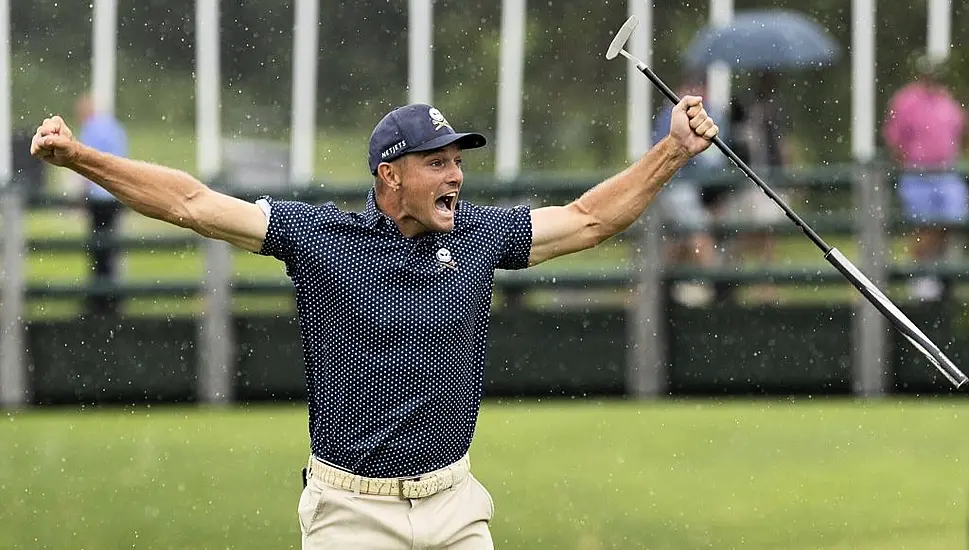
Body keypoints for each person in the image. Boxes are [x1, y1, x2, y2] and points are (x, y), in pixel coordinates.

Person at [30, 98, 718, 549]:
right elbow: (189, 201)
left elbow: (589, 219)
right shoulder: (318, 237)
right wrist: (81, 158)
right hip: (350, 517)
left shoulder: (478, 235)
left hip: (454, 507)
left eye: (458, 162)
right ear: (389, 176)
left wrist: (672, 152)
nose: (456, 175)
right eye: (437, 163)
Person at [882, 55, 967, 302]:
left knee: (950, 221)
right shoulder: (906, 100)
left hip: (945, 173)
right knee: (924, 226)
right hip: (917, 173)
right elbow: (895, 139)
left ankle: (938, 277)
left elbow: (959, 135)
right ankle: (922, 280)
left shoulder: (947, 101)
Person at [652, 77, 725, 306]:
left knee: (677, 245)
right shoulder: (678, 114)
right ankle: (720, 294)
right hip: (676, 188)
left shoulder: (673, 113)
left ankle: (656, 295)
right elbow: (705, 161)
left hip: (679, 189)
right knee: (698, 238)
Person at [74, 94, 128, 315]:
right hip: (115, 196)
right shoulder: (115, 128)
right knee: (111, 247)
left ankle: (99, 299)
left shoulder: (90, 129)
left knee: (98, 248)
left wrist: (80, 196)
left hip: (99, 199)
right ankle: (113, 298)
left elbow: (85, 165)